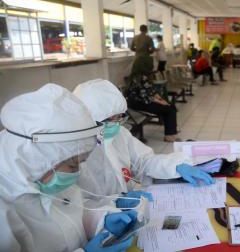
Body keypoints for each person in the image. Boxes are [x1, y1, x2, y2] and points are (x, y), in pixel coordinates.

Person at [0, 83, 137, 251]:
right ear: (37, 159)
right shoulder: (5, 206)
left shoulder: (42, 177)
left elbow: (70, 215)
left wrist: (102, 218)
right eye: (73, 165)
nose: (77, 172)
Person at [74, 79, 214, 204]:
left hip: (131, 210)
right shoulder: (73, 152)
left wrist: (175, 166)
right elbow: (75, 206)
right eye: (109, 120)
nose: (116, 124)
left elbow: (144, 161)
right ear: (88, 119)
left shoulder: (119, 134)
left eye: (119, 118)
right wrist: (112, 204)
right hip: (98, 225)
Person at [126, 62, 181, 142]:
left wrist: (162, 100)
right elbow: (145, 97)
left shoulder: (145, 76)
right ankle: (169, 135)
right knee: (169, 109)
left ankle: (172, 129)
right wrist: (161, 102)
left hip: (144, 101)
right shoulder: (139, 78)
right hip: (138, 104)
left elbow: (152, 91)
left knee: (171, 105)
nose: (152, 66)